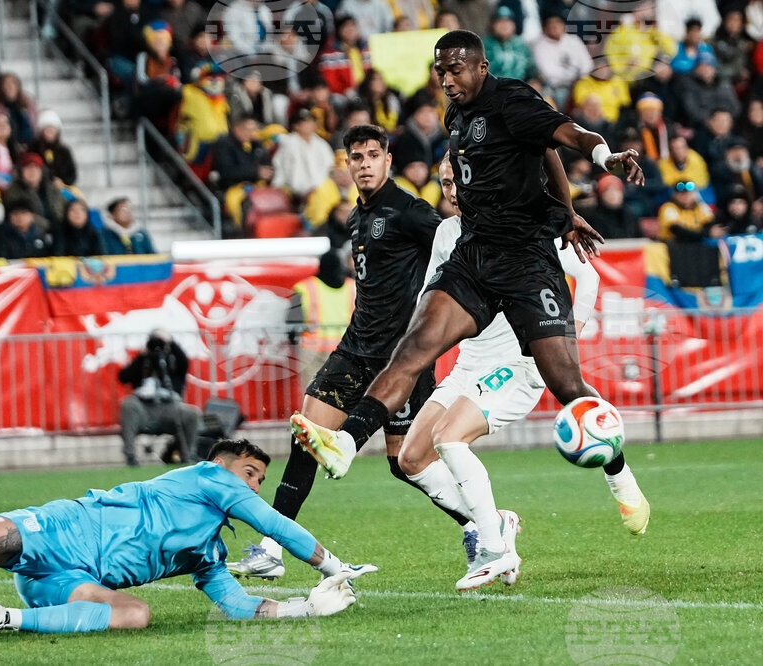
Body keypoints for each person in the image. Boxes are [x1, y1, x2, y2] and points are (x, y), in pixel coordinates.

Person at [290, 33, 651, 589]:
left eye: (456, 69)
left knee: (567, 383)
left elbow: (562, 138)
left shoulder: (510, 99)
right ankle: (345, 441)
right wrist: (566, 207)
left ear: (482, 66)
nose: (447, 79)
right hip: (476, 258)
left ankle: (619, 476)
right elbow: (542, 154)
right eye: (440, 71)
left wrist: (599, 165)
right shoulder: (456, 119)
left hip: (528, 264)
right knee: (412, 350)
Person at [0, 439, 372, 634]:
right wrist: (330, 564)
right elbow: (273, 524)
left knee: (136, 614)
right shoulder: (206, 478)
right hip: (59, 531)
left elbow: (237, 605)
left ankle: (6, 619)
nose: (252, 488)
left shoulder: (209, 551)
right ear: (222, 467)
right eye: (249, 475)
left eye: (257, 480)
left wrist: (305, 609)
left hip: (65, 584)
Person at [228, 124, 441, 580]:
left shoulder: (411, 212)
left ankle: (483, 523)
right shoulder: (355, 218)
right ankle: (271, 548)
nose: (364, 164)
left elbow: (454, 251)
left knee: (406, 464)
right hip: (355, 347)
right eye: (356, 157)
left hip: (401, 358)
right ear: (346, 165)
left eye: (372, 155)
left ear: (388, 160)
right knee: (305, 434)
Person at [395, 154, 600, 589]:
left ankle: (492, 548)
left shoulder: (517, 222)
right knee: (410, 458)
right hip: (469, 366)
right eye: (444, 183)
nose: (451, 190)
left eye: (457, 181)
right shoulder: (448, 233)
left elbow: (589, 275)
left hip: (516, 364)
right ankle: (497, 522)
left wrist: (572, 328)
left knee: (448, 438)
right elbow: (429, 300)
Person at [118, 330, 201, 467]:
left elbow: (184, 362)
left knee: (192, 413)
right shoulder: (142, 361)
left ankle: (188, 456)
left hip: (170, 408)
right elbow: (123, 377)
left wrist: (170, 342)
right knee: (128, 404)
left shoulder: (173, 361)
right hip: (144, 409)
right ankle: (131, 456)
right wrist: (142, 356)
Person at [287, 249, 356, 386]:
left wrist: (294, 341)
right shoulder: (353, 287)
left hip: (312, 352)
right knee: (340, 396)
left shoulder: (305, 287)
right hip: (344, 350)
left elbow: (292, 322)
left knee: (312, 395)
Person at [272, 108, 335, 200]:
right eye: (306, 122)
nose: (310, 125)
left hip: (320, 192)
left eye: (312, 122)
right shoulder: (288, 143)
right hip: (294, 193)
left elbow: (330, 167)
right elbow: (281, 169)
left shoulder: (322, 144)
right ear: (296, 126)